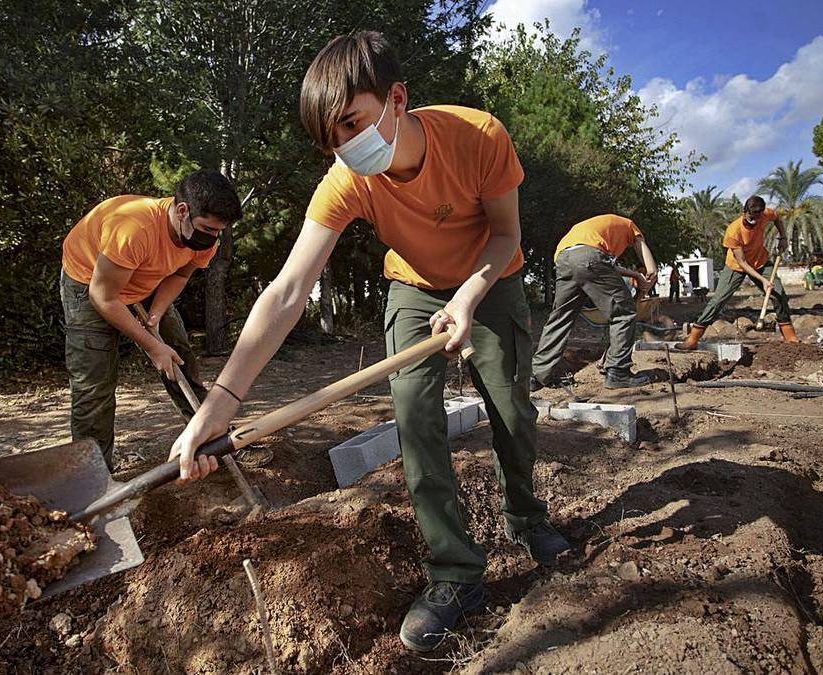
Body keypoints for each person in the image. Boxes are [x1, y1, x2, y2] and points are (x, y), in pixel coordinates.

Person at [167, 31, 568, 653]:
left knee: (512, 412)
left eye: (353, 123)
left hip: (493, 281)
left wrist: (466, 298)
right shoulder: (347, 181)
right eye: (331, 139)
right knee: (415, 421)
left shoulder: (478, 137)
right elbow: (287, 290)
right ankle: (455, 572)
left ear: (397, 98)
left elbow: (506, 236)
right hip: (411, 287)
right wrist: (217, 406)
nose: (345, 148)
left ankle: (524, 516)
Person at [59, 169, 260, 470]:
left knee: (180, 358)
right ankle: (94, 475)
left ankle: (209, 440)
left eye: (219, 231)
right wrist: (153, 347)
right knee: (94, 387)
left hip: (145, 283)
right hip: (90, 284)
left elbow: (180, 274)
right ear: (182, 211)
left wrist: (156, 316)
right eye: (207, 229)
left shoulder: (205, 237)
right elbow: (103, 297)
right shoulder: (133, 229)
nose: (213, 238)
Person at [529, 215, 658, 390]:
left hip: (563, 258)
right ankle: (618, 372)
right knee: (624, 312)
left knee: (560, 318)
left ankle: (538, 375)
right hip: (588, 257)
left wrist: (635, 275)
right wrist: (652, 272)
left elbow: (598, 264)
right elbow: (638, 244)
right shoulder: (629, 226)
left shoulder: (595, 230)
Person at [676, 195, 798, 349]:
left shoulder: (765, 214)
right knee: (718, 301)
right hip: (736, 267)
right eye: (750, 217)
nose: (753, 222)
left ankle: (790, 338)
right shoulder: (733, 231)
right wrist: (763, 280)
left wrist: (783, 237)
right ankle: (693, 339)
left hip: (761, 261)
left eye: (757, 218)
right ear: (743, 212)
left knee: (779, 294)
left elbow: (777, 218)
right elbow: (742, 262)